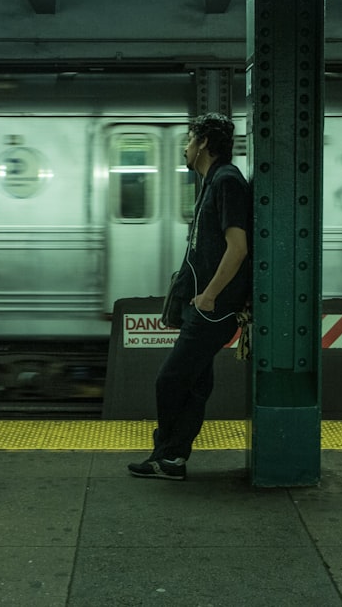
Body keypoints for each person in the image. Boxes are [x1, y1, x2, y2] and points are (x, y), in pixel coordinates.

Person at [128, 112, 251, 481]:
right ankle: (171, 460)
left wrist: (209, 296)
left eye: (188, 139)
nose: (184, 147)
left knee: (169, 380)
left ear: (202, 143)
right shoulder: (214, 181)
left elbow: (238, 247)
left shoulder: (226, 181)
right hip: (212, 305)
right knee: (196, 383)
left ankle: (165, 454)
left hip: (214, 308)